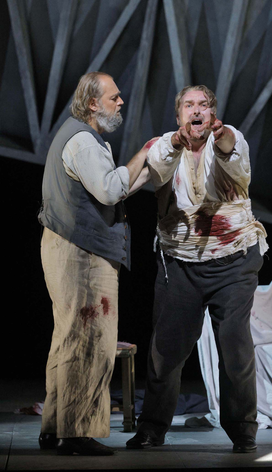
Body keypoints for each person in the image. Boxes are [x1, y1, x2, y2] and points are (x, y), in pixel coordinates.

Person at [126, 84, 268, 453]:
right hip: (181, 265)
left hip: (234, 262)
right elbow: (155, 165)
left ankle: (243, 430)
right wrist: (176, 141)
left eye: (203, 105)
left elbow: (230, 148)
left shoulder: (231, 141)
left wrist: (220, 135)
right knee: (166, 351)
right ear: (179, 115)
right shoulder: (164, 146)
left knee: (235, 347)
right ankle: (152, 428)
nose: (196, 111)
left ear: (212, 113)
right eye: (188, 105)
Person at [38, 71, 150, 456]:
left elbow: (115, 189)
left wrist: (146, 171)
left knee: (68, 339)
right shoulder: (84, 141)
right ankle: (77, 433)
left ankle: (56, 428)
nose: (121, 103)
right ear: (92, 103)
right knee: (90, 341)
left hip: (70, 249)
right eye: (114, 97)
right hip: (81, 254)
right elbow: (109, 190)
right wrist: (145, 154)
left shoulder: (80, 135)